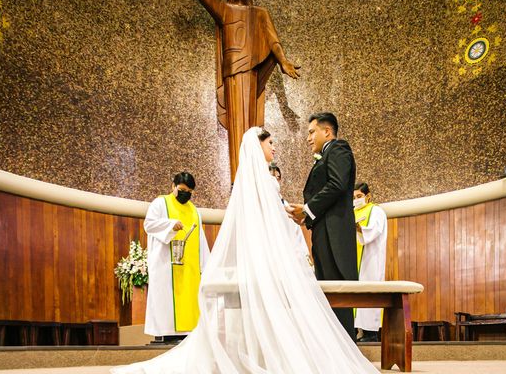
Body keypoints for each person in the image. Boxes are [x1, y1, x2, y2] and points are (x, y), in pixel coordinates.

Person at [112, 127, 378, 373]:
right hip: (267, 259)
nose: (274, 148)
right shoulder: (266, 182)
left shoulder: (247, 184)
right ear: (257, 145)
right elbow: (274, 223)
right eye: (270, 143)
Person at [182, 0, 301, 181]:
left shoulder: (260, 14)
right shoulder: (224, 11)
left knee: (252, 130)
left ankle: (253, 181)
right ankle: (239, 185)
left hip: (251, 76)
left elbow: (273, 40)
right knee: (238, 132)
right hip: (234, 75)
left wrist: (282, 61)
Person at [288, 112, 359, 341]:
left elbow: (337, 185)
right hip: (324, 233)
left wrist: (307, 209)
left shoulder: (338, 148)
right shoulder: (325, 154)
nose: (308, 138)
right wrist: (305, 217)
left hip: (334, 236)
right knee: (328, 293)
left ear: (326, 131)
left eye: (311, 132)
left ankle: (345, 349)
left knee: (339, 293)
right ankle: (333, 347)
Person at [143, 172, 210, 342]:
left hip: (190, 268)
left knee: (191, 305)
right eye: (181, 189)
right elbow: (149, 225)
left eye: (189, 191)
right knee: (167, 304)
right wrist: (170, 225)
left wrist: (206, 267)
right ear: (173, 186)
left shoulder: (194, 210)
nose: (184, 194)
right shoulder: (161, 203)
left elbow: (200, 238)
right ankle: (165, 335)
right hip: (166, 265)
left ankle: (189, 336)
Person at [353, 182, 388, 342]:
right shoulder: (352, 212)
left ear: (368, 196)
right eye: (353, 197)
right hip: (354, 259)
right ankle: (354, 330)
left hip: (370, 259)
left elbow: (375, 230)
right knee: (354, 295)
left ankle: (370, 332)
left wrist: (360, 229)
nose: (356, 200)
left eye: (359, 196)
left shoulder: (376, 211)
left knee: (369, 292)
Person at [269, 163, 312, 268]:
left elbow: (295, 231)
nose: (275, 180)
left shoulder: (286, 204)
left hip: (293, 250)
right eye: (272, 177)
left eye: (278, 178)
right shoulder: (266, 206)